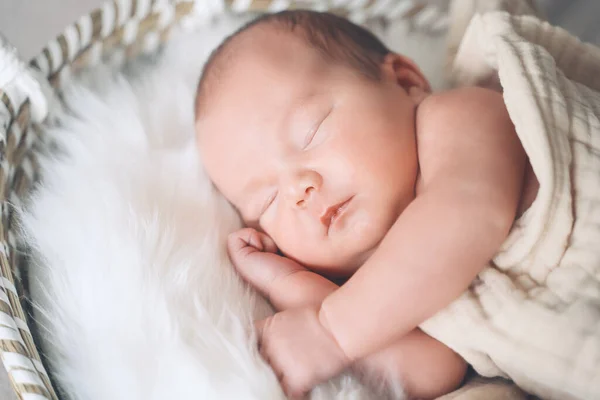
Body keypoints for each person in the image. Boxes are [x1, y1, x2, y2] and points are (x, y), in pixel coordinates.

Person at [195, 10, 538, 399]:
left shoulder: (461, 117)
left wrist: (329, 330)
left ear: (406, 82)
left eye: (310, 132)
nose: (297, 191)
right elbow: (431, 369)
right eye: (267, 202)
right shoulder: (367, 297)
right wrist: (292, 286)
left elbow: (469, 214)